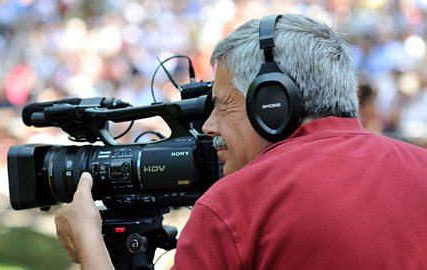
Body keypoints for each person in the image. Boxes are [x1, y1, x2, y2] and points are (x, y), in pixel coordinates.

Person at [55, 14, 427, 269]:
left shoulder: (232, 206)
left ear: (273, 103)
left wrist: (90, 243)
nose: (210, 126)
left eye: (223, 105)